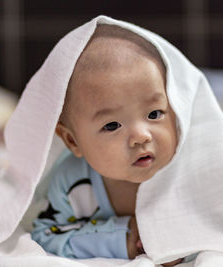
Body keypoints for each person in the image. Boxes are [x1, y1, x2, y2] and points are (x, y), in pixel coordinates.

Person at [31, 24, 181, 265]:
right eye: (112, 125)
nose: (141, 136)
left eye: (154, 114)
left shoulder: (187, 168)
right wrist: (124, 238)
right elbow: (46, 234)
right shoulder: (73, 185)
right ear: (72, 140)